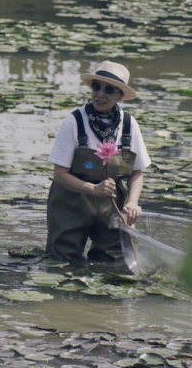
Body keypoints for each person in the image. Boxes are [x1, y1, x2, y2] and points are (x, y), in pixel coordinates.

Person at [46, 60, 151, 262]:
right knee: (62, 261)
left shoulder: (129, 124)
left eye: (110, 89)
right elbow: (59, 175)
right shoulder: (74, 122)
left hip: (113, 204)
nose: (100, 94)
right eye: (97, 86)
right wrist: (93, 189)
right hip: (70, 202)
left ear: (120, 95)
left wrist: (132, 202)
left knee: (113, 262)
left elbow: (137, 172)